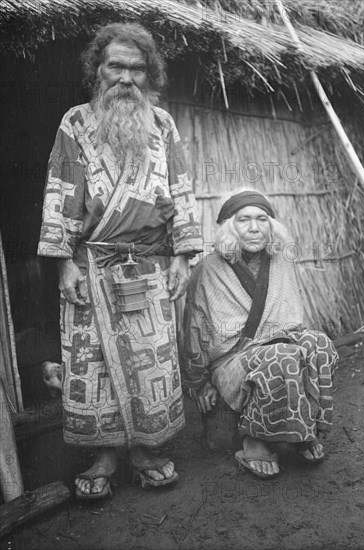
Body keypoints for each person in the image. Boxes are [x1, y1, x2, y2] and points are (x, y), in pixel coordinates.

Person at [37, 23, 203, 498]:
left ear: (149, 74)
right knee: (94, 368)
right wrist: (63, 263)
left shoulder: (164, 125)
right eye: (117, 66)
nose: (126, 78)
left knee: (151, 362)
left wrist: (183, 255)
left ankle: (146, 450)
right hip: (90, 266)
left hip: (149, 266)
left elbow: (181, 189)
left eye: (137, 68)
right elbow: (60, 193)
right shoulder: (75, 123)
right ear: (98, 69)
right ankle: (104, 454)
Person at [181, 189, 338, 478]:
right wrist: (199, 383)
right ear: (230, 226)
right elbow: (194, 328)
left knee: (319, 344)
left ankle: (303, 428)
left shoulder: (281, 263)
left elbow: (293, 321)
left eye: (262, 219)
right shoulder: (207, 270)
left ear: (271, 226)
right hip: (231, 360)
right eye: (244, 220)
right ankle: (254, 439)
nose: (254, 228)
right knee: (282, 355)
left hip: (279, 343)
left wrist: (291, 343)